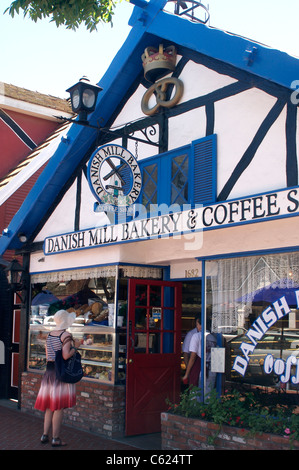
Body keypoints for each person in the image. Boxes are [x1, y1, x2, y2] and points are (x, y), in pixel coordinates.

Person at [34, 309, 80, 447]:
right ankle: (56, 438)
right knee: (58, 407)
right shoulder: (65, 335)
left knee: (49, 407)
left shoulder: (50, 335)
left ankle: (44, 435)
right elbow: (66, 356)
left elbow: (49, 355)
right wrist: (76, 347)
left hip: (49, 372)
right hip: (60, 374)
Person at [182, 317, 202, 386]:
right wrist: (189, 369)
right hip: (206, 367)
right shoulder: (191, 334)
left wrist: (187, 373)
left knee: (195, 390)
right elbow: (186, 353)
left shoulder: (196, 336)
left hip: (197, 365)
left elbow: (192, 356)